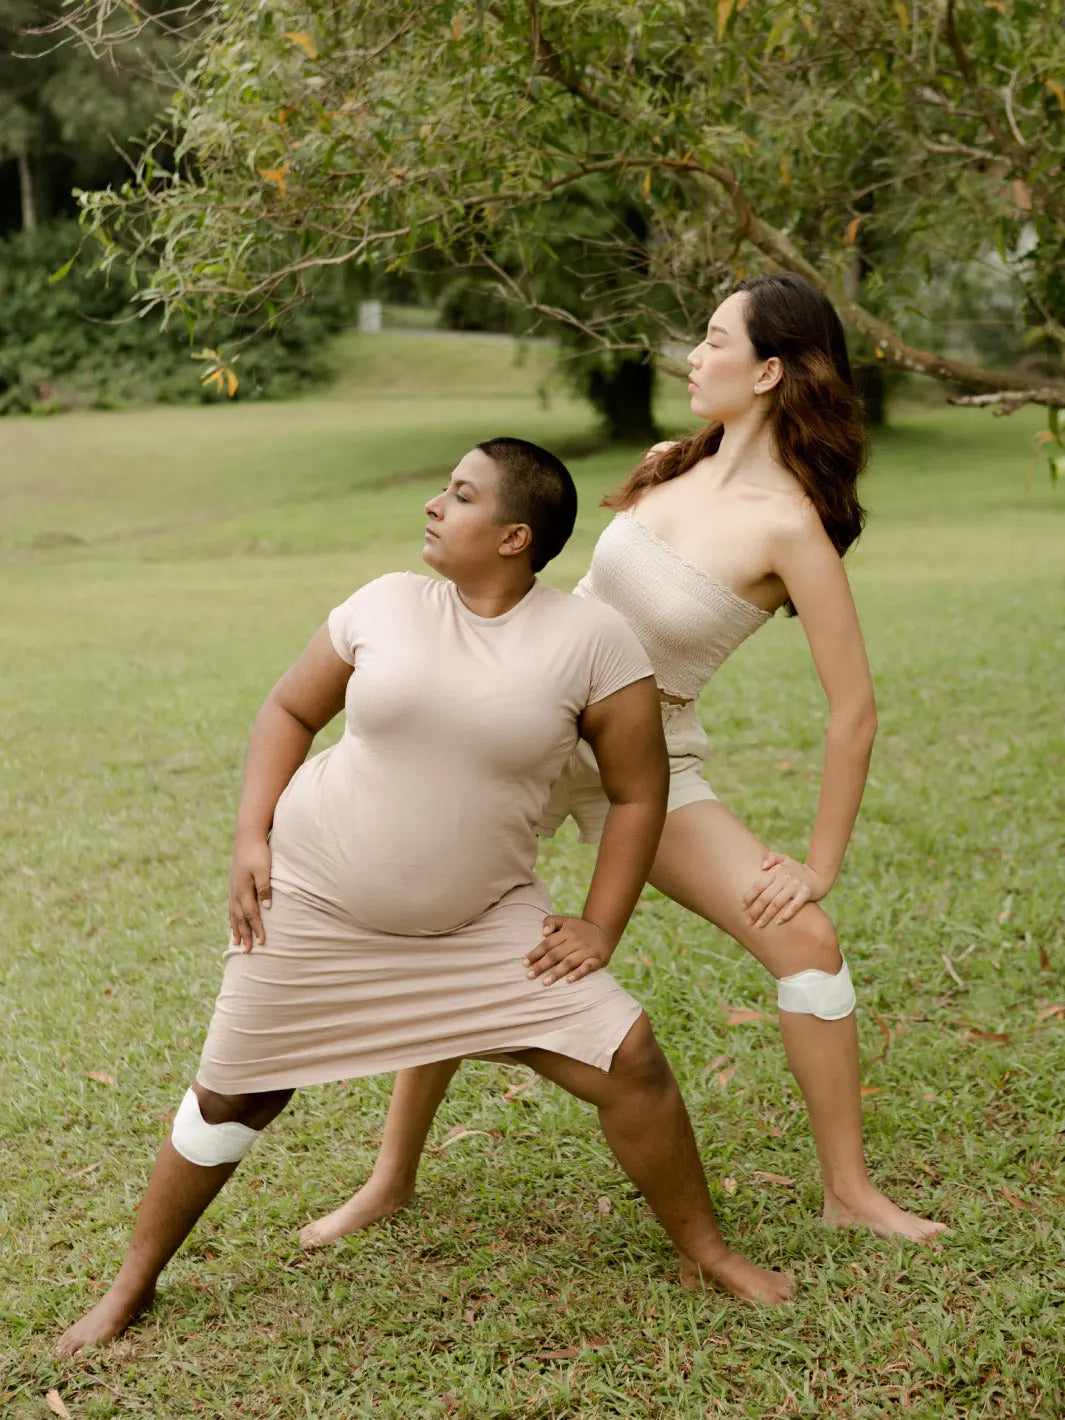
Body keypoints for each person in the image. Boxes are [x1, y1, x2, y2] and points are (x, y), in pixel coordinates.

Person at [57, 437, 794, 1357]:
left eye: (460, 494)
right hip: (315, 905)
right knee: (231, 1100)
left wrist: (601, 924)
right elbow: (288, 711)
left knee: (630, 1057)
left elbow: (639, 791)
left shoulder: (593, 642)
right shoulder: (387, 602)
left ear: (515, 535)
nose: (434, 507)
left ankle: (706, 1251)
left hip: (480, 926)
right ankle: (132, 1283)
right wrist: (250, 836)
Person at [299, 276, 947, 1255]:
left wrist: (818, 861)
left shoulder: (791, 528)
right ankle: (389, 1177)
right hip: (533, 730)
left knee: (808, 943)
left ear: (769, 370)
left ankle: (849, 1189)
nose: (694, 353)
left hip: (653, 758)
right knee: (456, 927)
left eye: (715, 339)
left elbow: (853, 710)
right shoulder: (663, 463)